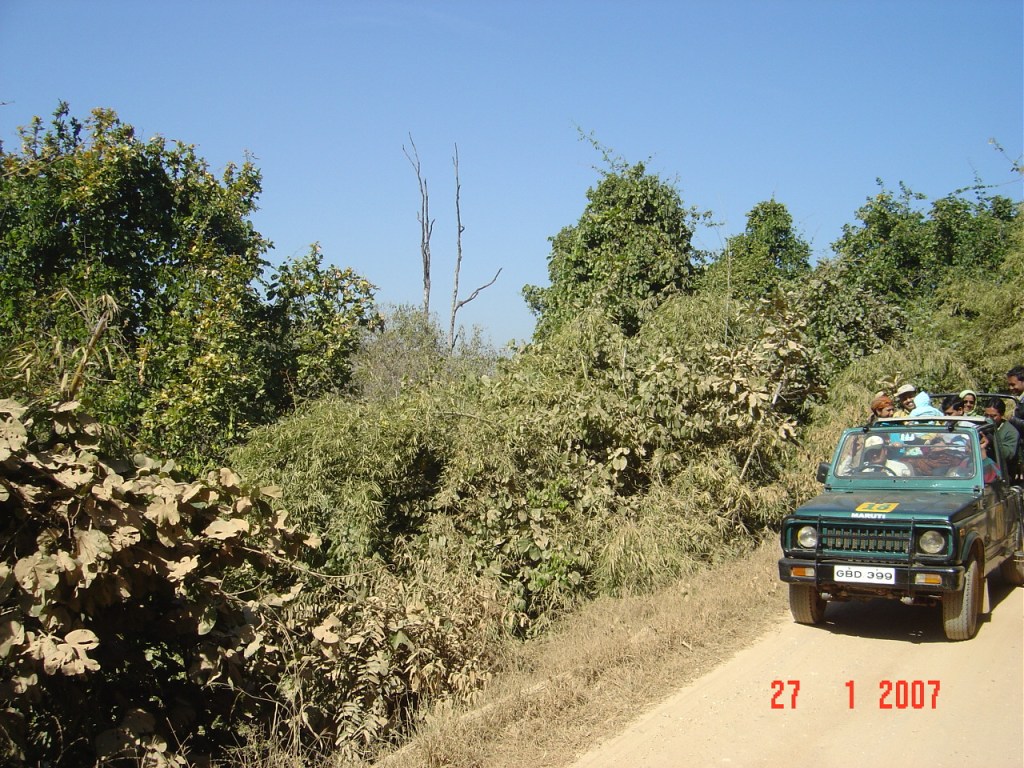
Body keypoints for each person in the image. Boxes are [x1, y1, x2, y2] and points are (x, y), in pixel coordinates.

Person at [984, 398, 1020, 479]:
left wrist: (992, 441)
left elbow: (1008, 454)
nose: (989, 419)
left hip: (1001, 475)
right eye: (986, 415)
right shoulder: (983, 427)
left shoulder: (1011, 432)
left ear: (1001, 414)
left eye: (993, 416)